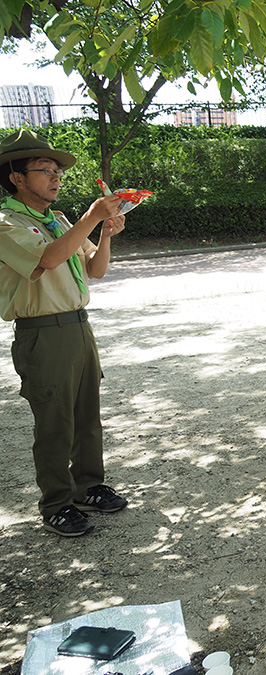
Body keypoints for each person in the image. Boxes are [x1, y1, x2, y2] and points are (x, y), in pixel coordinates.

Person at [0, 129, 129, 537]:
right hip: (42, 332)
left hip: (77, 327)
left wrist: (104, 233)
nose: (55, 178)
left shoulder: (57, 219)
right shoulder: (7, 222)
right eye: (44, 170)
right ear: (16, 177)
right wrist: (92, 217)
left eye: (57, 171)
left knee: (87, 416)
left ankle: (88, 485)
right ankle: (56, 503)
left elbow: (95, 269)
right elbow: (48, 259)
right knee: (55, 422)